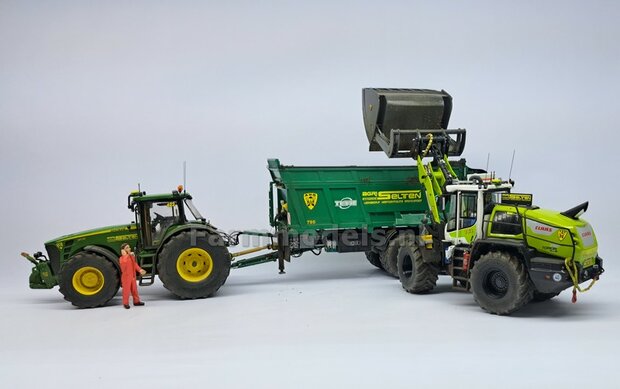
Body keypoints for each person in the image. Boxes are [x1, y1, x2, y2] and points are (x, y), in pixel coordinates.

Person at [119, 243, 147, 309]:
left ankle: (136, 301)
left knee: (134, 290)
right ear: (123, 250)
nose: (129, 249)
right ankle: (125, 303)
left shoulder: (131, 257)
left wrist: (140, 270)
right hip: (126, 277)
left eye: (129, 247)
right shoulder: (122, 258)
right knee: (126, 290)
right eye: (127, 248)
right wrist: (127, 255)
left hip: (132, 276)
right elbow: (123, 265)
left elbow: (134, 264)